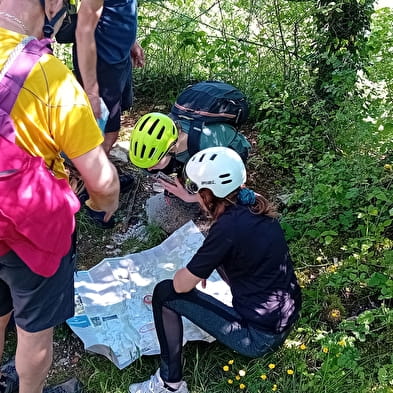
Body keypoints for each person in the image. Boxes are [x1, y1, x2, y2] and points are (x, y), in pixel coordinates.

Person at [0, 1, 120, 392]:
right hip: (30, 235)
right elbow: (102, 182)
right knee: (34, 333)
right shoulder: (50, 76)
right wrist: (102, 206)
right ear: (49, 5)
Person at [129, 147, 302, 393]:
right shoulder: (254, 203)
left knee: (164, 293)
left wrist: (186, 284)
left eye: (196, 189)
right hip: (285, 314)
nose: (195, 194)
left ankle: (170, 384)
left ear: (210, 193)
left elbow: (180, 286)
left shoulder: (226, 230)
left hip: (259, 337)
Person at [129, 112, 252, 233]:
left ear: (171, 149)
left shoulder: (203, 145)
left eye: (153, 164)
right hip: (190, 152)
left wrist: (190, 197)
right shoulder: (167, 136)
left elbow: (217, 190)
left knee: (215, 190)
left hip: (233, 150)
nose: (150, 169)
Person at [72, 0, 145, 155]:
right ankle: (94, 176)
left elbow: (119, 10)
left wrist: (132, 42)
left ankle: (98, 171)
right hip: (102, 61)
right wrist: (91, 91)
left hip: (120, 57)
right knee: (106, 130)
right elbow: (84, 31)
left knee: (113, 121)